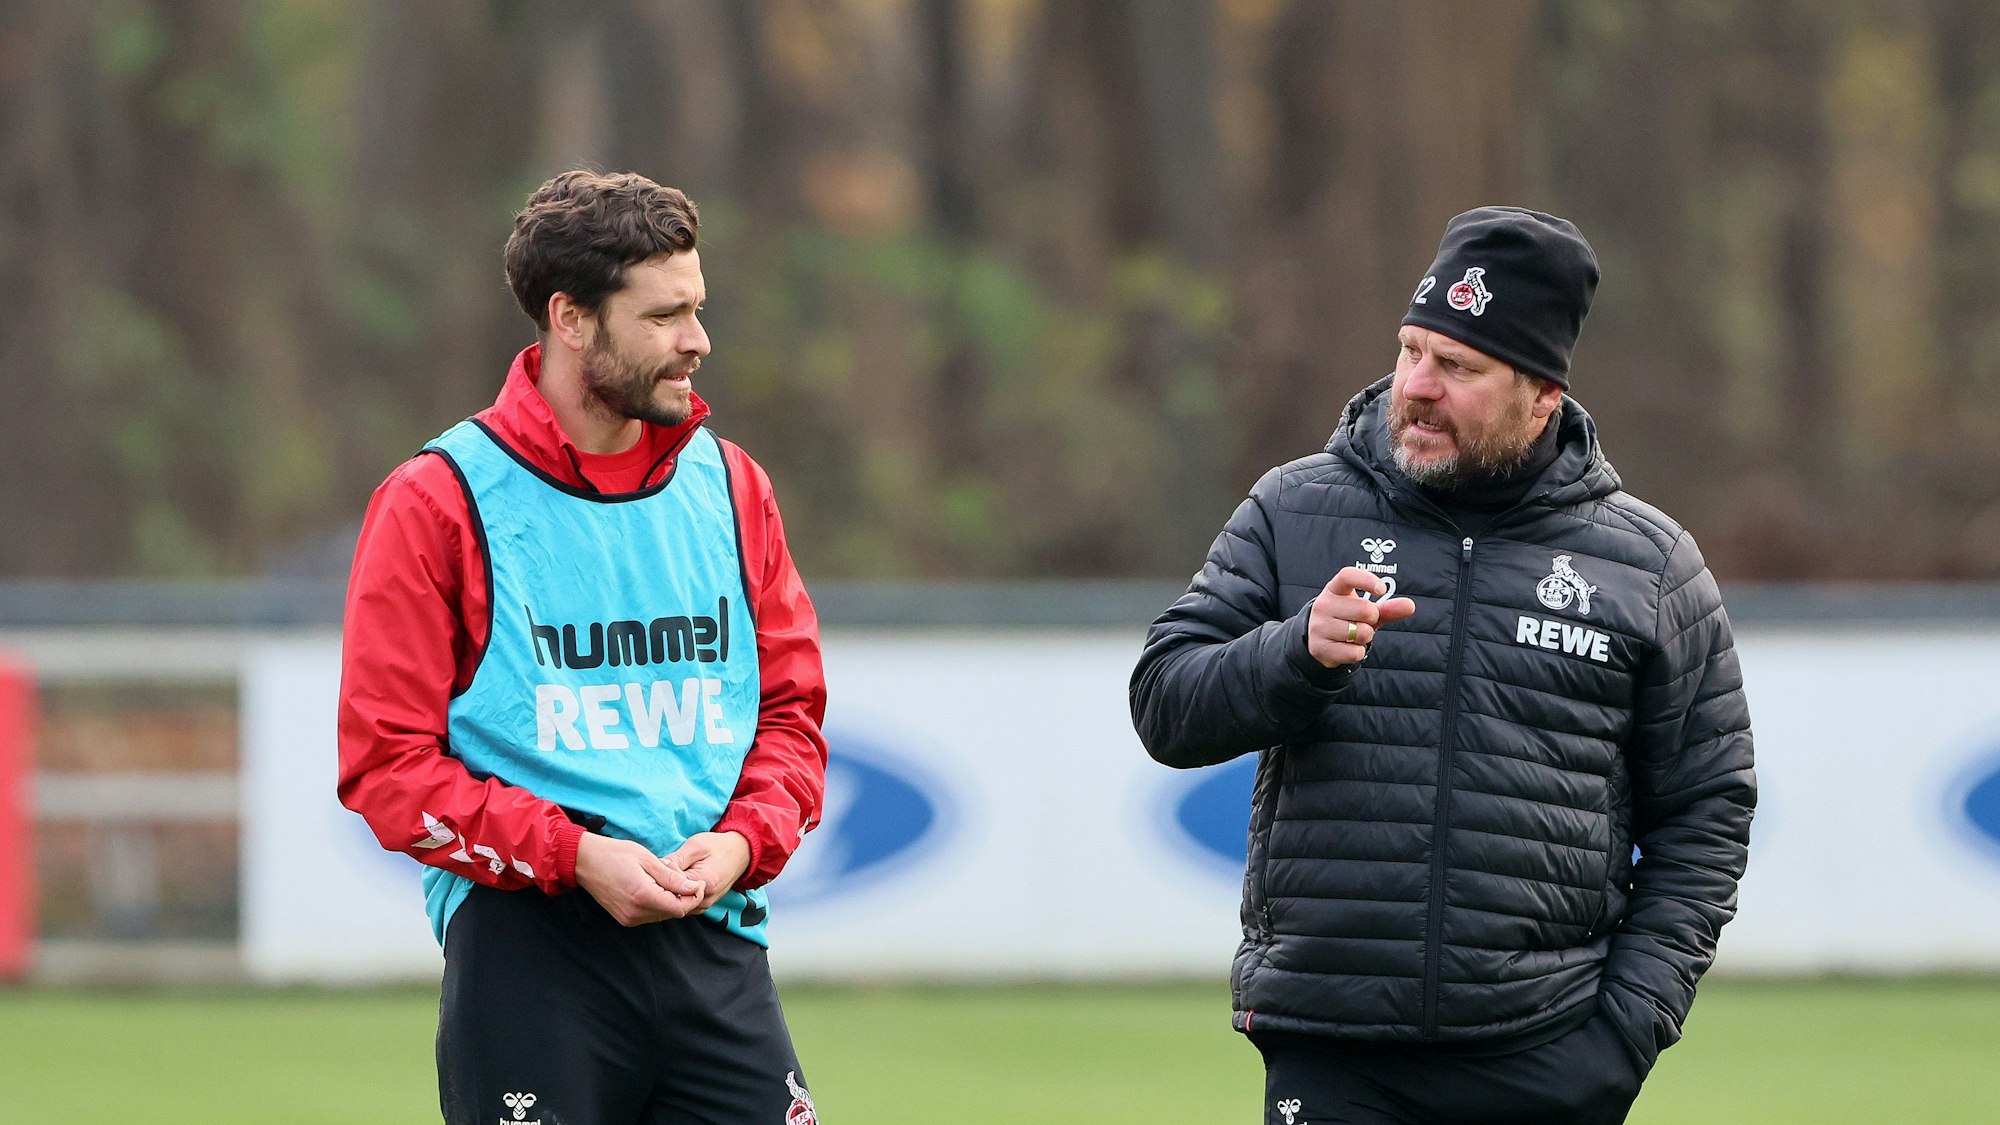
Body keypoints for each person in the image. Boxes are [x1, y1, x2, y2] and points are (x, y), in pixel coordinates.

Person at [1130, 207, 1755, 1124]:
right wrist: (1295, 653)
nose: (1416, 386)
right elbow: (1164, 702)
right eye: (1412, 350)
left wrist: (1628, 1027)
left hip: (1546, 1054)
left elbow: (1708, 810)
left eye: (1458, 366)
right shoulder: (1293, 510)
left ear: (1541, 395)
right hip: (1333, 1051)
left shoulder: (1649, 567)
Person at [338, 170, 826, 1125]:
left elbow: (791, 717)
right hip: (528, 948)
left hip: (715, 938)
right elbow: (385, 767)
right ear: (570, 319)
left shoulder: (734, 487)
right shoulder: (435, 500)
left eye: (697, 308)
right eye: (664, 316)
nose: (698, 340)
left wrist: (740, 842)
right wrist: (575, 854)